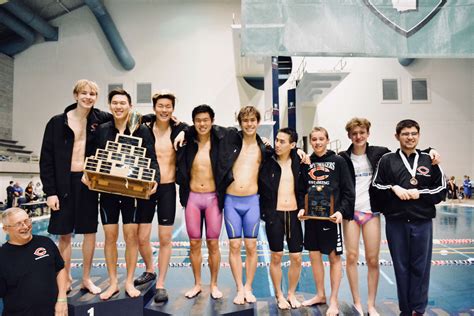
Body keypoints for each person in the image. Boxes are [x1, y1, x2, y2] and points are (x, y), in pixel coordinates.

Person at [338, 117, 440, 316]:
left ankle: (371, 304)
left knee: (373, 260)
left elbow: (407, 151)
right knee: (350, 258)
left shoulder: (380, 154)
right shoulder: (342, 157)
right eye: (354, 133)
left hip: (372, 212)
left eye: (362, 132)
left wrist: (430, 150)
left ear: (368, 134)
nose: (358, 136)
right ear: (349, 135)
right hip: (352, 212)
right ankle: (357, 302)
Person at [85, 88, 159, 300]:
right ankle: (113, 283)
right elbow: (92, 155)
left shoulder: (141, 130)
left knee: (131, 237)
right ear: (110, 106)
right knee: (110, 237)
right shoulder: (103, 129)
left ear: (130, 106)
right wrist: (87, 173)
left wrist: (155, 177)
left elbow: (152, 158)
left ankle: (128, 281)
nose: (118, 106)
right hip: (108, 191)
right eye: (115, 103)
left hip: (131, 192)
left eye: (122, 103)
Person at [40, 79, 112, 294]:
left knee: (89, 232)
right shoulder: (57, 122)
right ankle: (66, 277)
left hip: (87, 182)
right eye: (84, 93)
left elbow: (123, 115)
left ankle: (87, 278)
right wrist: (50, 191)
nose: (88, 97)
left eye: (92, 94)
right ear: (75, 95)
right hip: (63, 183)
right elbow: (46, 158)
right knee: (64, 234)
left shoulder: (100, 119)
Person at [372, 119, 446, 316]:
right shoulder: (387, 160)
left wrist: (420, 193)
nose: (410, 137)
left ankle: (419, 309)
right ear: (397, 136)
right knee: (401, 267)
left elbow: (441, 189)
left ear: (419, 136)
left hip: (422, 222)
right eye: (405, 134)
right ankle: (405, 310)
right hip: (396, 222)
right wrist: (393, 188)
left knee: (421, 268)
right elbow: (376, 186)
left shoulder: (429, 159)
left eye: (414, 133)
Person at [134, 91, 187, 304]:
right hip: (147, 188)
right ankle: (149, 270)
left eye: (168, 107)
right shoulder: (144, 129)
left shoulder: (179, 130)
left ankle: (161, 284)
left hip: (167, 189)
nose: (164, 110)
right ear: (154, 107)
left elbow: (197, 129)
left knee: (165, 239)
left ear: (173, 109)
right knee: (141, 237)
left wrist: (183, 127)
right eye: (160, 106)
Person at [298, 126, 355, 316]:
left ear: (327, 140)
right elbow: (301, 188)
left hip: (331, 218)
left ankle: (333, 301)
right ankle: (320, 295)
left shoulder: (338, 161)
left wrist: (341, 211)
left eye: (321, 139)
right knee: (314, 256)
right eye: (314, 139)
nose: (317, 142)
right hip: (313, 217)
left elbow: (348, 190)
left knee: (334, 258)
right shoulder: (307, 162)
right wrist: (301, 207)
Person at [216, 106, 270, 304]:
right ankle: (239, 287)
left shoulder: (263, 147)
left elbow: (284, 153)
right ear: (240, 122)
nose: (249, 124)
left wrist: (299, 150)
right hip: (231, 200)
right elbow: (209, 128)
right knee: (234, 245)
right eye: (245, 120)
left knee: (251, 246)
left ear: (257, 122)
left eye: (252, 120)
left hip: (252, 201)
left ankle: (249, 286)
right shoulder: (231, 141)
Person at [176, 104, 226, 299]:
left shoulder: (221, 140)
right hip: (193, 199)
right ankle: (197, 283)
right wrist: (184, 131)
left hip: (213, 198)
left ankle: (214, 284)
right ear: (193, 122)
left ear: (212, 121)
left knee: (213, 245)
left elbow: (242, 133)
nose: (202, 124)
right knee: (194, 243)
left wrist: (263, 140)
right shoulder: (188, 142)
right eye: (198, 120)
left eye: (206, 120)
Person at [259, 128, 305, 309]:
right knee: (276, 256)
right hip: (275, 214)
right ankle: (279, 295)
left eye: (282, 142)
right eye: (276, 140)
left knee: (296, 257)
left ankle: (291, 293)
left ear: (292, 145)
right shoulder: (268, 161)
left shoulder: (300, 162)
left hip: (294, 214)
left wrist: (303, 207)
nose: (277, 144)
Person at [0, 208, 68, 316]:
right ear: (5, 229)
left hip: (53, 312)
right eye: (18, 224)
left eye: (27, 221)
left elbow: (60, 269)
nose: (25, 226)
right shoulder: (2, 256)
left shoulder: (46, 242)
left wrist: (62, 300)